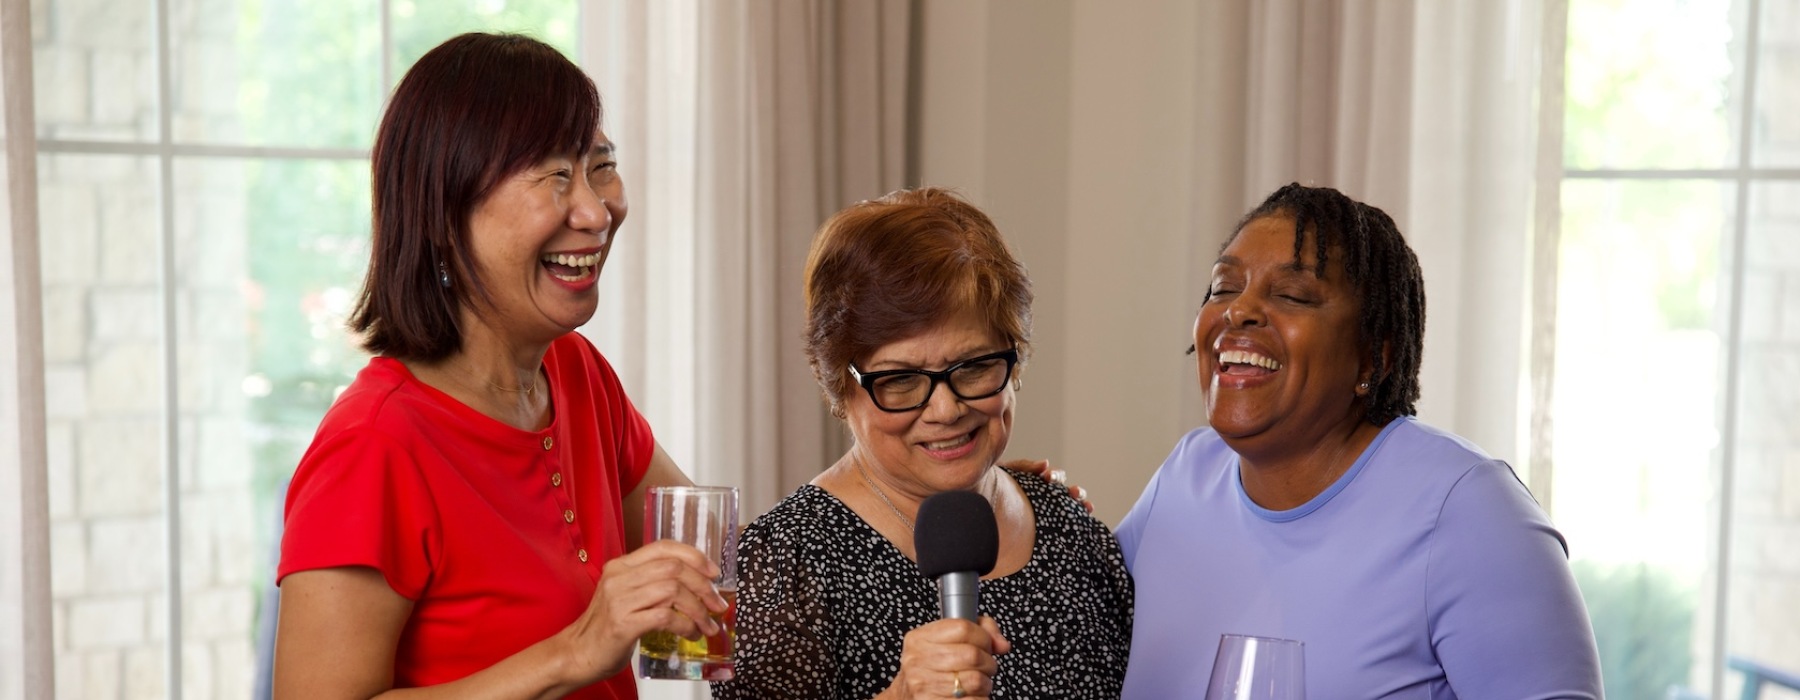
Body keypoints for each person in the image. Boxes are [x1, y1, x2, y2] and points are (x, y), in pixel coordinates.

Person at [273, 33, 726, 698]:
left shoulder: (577, 375)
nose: (597, 211)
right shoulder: (374, 446)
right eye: (554, 177)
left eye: (600, 166)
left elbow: (708, 557)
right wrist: (573, 652)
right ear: (444, 213)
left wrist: (875, 457)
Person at [1116, 183, 1602, 698]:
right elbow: (1069, 636)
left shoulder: (1469, 511)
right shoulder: (1186, 475)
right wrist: (1024, 509)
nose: (1239, 311)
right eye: (1223, 288)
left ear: (1374, 357)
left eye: (1292, 295)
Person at [711, 187, 1134, 700]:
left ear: (1014, 361)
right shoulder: (785, 562)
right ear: (840, 387)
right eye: (902, 380)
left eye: (975, 367)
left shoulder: (1073, 531)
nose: (945, 410)